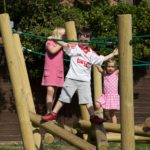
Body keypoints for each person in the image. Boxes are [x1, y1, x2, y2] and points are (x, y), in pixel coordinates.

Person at [42, 28, 118, 124]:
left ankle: (93, 116)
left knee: (87, 100)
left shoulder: (91, 53)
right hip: (71, 78)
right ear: (78, 39)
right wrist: (54, 39)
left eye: (86, 41)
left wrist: (113, 54)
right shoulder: (75, 48)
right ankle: (53, 113)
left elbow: (101, 59)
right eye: (81, 40)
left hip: (84, 81)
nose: (83, 42)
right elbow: (64, 44)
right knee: (63, 98)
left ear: (89, 40)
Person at [41, 27, 65, 117]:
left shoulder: (62, 45)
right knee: (50, 90)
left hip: (58, 71)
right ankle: (49, 111)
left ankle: (50, 111)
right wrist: (60, 43)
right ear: (58, 35)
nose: (65, 37)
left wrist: (63, 43)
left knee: (55, 91)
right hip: (50, 71)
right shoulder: (49, 42)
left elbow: (70, 46)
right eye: (63, 36)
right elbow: (52, 50)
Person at [95, 59, 120, 124]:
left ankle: (114, 127)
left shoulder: (116, 73)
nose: (110, 68)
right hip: (105, 95)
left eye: (112, 67)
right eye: (109, 66)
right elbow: (100, 69)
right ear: (106, 67)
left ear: (115, 67)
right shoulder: (105, 73)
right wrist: (96, 63)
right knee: (97, 104)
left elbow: (122, 69)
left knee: (112, 114)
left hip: (113, 96)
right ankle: (99, 118)